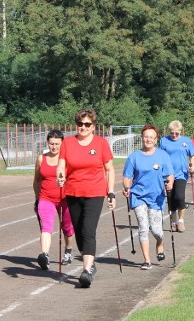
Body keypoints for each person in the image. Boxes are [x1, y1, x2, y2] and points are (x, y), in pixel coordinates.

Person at [56, 108, 115, 288]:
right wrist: (60, 175)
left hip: (95, 193)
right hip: (73, 192)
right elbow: (61, 165)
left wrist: (110, 192)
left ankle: (86, 271)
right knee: (79, 233)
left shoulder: (101, 143)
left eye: (87, 124)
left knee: (89, 231)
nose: (83, 127)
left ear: (93, 126)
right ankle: (90, 262)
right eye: (80, 124)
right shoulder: (67, 143)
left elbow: (109, 169)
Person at [122, 125, 174, 269]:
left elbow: (169, 175)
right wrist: (126, 188)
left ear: (156, 140)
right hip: (138, 196)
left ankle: (160, 242)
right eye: (146, 136)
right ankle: (147, 260)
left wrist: (170, 184)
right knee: (143, 227)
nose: (148, 139)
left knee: (156, 230)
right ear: (142, 138)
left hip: (156, 197)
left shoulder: (163, 156)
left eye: (151, 137)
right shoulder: (134, 157)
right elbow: (127, 177)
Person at [33, 129, 74, 270]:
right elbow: (37, 180)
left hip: (65, 199)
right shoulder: (41, 159)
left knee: (67, 228)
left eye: (57, 144)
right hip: (46, 198)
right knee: (46, 227)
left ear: (62, 144)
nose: (54, 147)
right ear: (47, 143)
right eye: (51, 144)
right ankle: (44, 255)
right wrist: (37, 198)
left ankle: (68, 251)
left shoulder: (68, 160)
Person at [158, 120, 194, 232]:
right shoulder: (164, 141)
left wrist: (192, 165)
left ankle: (181, 221)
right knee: (170, 199)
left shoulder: (186, 141)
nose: (174, 135)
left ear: (180, 131)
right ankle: (173, 221)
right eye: (172, 133)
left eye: (176, 133)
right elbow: (159, 155)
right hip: (167, 174)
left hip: (181, 173)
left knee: (179, 197)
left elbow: (193, 155)